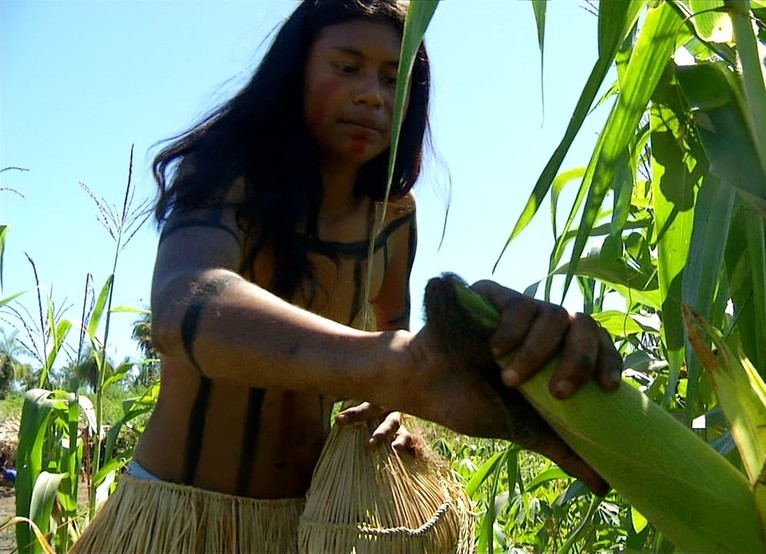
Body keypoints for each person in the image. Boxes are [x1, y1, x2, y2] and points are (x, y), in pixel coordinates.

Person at [70, 0, 622, 552]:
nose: (373, 95)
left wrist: (395, 406)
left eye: (393, 78)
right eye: (347, 66)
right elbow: (181, 304)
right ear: (296, 71)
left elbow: (396, 341)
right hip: (173, 519)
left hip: (309, 526)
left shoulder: (393, 217)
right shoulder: (226, 178)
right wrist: (393, 368)